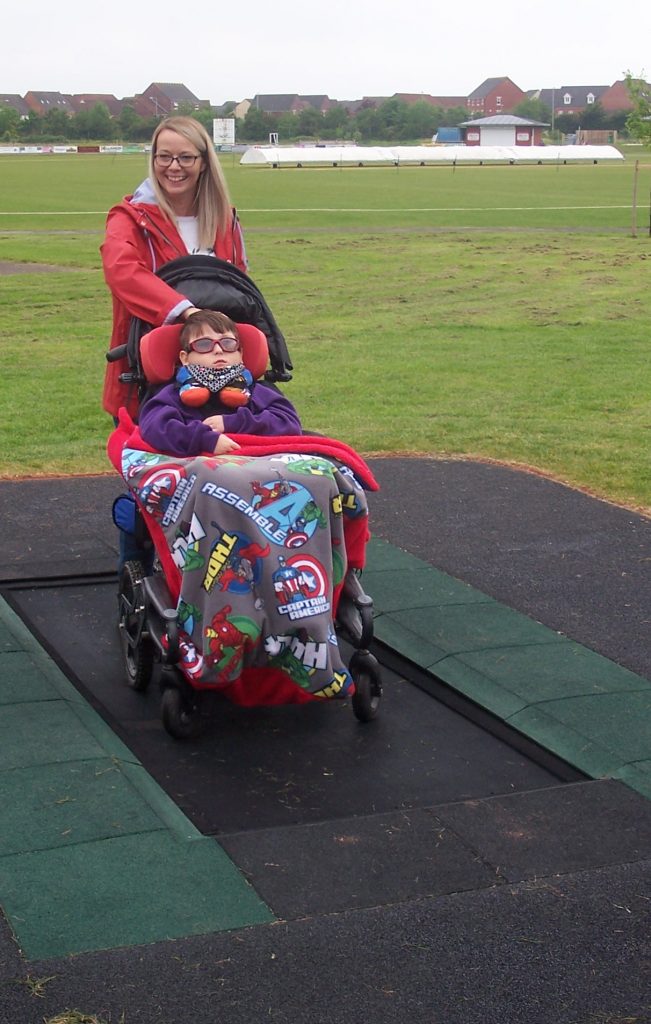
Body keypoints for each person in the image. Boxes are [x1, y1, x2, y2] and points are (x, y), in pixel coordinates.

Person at [101, 115, 248, 421]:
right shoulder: (129, 218)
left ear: (204, 162)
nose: (174, 167)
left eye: (185, 157)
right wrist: (187, 311)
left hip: (223, 381)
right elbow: (122, 272)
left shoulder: (224, 221)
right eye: (164, 157)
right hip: (148, 379)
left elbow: (240, 284)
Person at [138, 310, 302, 457]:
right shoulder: (172, 395)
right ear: (185, 358)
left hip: (258, 467)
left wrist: (234, 423)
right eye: (204, 344)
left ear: (240, 353)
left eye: (228, 343)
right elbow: (155, 427)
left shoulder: (259, 391)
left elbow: (288, 423)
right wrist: (205, 439)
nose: (218, 350)